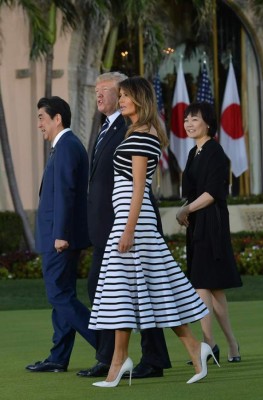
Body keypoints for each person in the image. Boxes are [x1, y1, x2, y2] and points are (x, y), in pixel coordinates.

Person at [88, 76, 218, 388]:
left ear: (140, 100)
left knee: (128, 292)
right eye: (120, 96)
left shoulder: (143, 135)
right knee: (150, 292)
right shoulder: (136, 132)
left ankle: (120, 362)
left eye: (126, 96)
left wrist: (129, 229)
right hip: (130, 220)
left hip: (135, 222)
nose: (121, 101)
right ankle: (190, 348)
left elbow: (137, 189)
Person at [77, 72, 171, 379]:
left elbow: (138, 185)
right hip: (109, 223)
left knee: (141, 292)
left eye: (106, 91)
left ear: (125, 93)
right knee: (108, 290)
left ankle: (145, 359)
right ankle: (112, 358)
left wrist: (128, 228)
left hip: (126, 223)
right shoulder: (107, 127)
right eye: (97, 91)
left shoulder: (131, 128)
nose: (100, 96)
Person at [26, 96, 97, 372]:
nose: (39, 124)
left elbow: (66, 194)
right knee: (63, 295)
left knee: (59, 296)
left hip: (60, 239)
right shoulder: (64, 146)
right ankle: (58, 357)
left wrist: (60, 234)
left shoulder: (67, 146)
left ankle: (106, 344)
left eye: (42, 118)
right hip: (59, 236)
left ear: (58, 119)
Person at [176, 102, 242, 364]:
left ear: (209, 123)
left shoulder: (215, 152)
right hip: (197, 224)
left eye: (195, 119)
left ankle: (208, 344)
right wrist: (187, 210)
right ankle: (232, 344)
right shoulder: (194, 153)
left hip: (212, 225)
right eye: (186, 120)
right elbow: (192, 192)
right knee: (214, 291)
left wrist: (186, 209)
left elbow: (214, 192)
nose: (189, 124)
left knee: (201, 284)